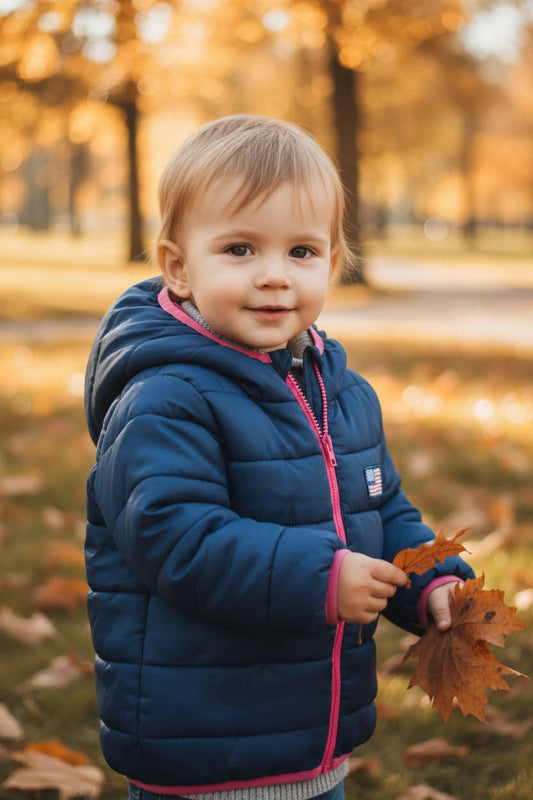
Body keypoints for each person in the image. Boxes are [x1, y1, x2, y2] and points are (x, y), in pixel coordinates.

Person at [84, 115, 473, 800]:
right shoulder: (165, 396)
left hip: (315, 739)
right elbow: (172, 536)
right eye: (239, 249)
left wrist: (429, 580)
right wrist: (320, 578)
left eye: (300, 251)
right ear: (177, 267)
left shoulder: (341, 392)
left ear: (332, 260)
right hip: (203, 741)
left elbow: (380, 509)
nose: (273, 276)